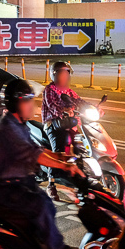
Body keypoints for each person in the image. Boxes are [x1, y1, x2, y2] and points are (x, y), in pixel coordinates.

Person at [0, 78, 85, 249]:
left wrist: (62, 157)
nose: (33, 105)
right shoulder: (9, 128)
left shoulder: (19, 124)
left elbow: (38, 148)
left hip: (20, 182)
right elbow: (35, 155)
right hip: (6, 187)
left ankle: (38, 245)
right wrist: (65, 166)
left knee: (47, 204)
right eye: (28, 100)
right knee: (41, 206)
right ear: (16, 103)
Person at [42, 61, 88, 200]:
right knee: (58, 149)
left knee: (81, 147)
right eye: (61, 73)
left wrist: (93, 108)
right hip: (53, 124)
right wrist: (65, 110)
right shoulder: (49, 90)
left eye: (66, 73)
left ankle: (81, 177)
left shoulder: (68, 91)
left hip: (69, 123)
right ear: (54, 75)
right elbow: (53, 106)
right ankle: (51, 184)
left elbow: (79, 100)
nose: (64, 76)